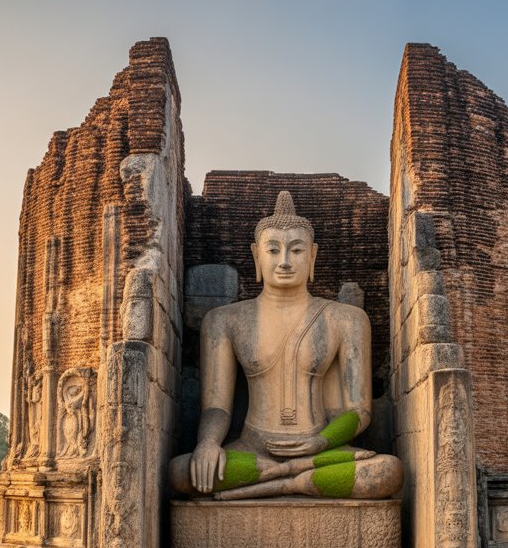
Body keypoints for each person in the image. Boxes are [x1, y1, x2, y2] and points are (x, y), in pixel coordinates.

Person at [168, 191, 402, 500]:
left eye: (296, 250)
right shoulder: (224, 320)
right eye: (273, 250)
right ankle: (292, 476)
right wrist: (208, 444)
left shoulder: (346, 319)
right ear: (257, 255)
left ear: (313, 255)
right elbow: (216, 407)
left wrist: (320, 443)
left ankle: (285, 481)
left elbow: (359, 410)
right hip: (252, 449)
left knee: (387, 471)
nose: (285, 262)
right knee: (181, 472)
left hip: (321, 449)